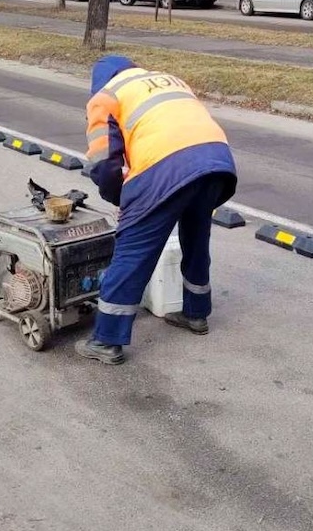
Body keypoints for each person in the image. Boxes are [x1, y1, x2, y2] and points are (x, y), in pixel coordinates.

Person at [77, 55, 237, 365]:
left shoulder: (105, 97)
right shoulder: (168, 80)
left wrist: (121, 201)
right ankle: (196, 313)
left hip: (166, 166)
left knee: (132, 250)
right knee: (196, 237)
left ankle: (106, 340)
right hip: (217, 162)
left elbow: (104, 164)